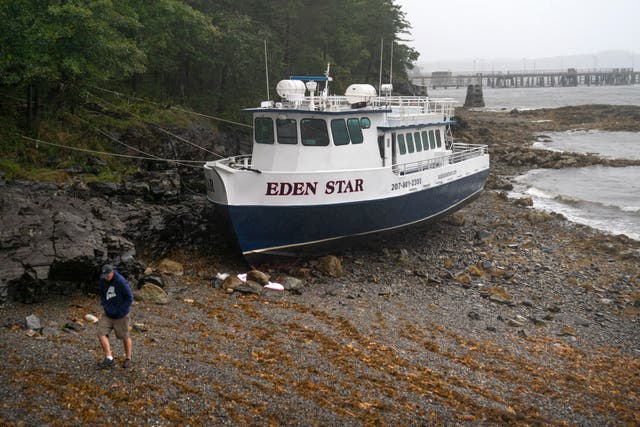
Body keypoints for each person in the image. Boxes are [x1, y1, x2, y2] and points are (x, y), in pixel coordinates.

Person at [96, 264, 134, 369]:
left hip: (121, 315)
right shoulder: (103, 280)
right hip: (108, 313)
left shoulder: (120, 281)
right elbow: (102, 294)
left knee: (125, 336)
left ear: (112, 272)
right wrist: (105, 305)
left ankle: (128, 358)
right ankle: (109, 358)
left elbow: (130, 297)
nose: (106, 277)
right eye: (104, 275)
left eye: (108, 275)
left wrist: (121, 310)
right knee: (101, 333)